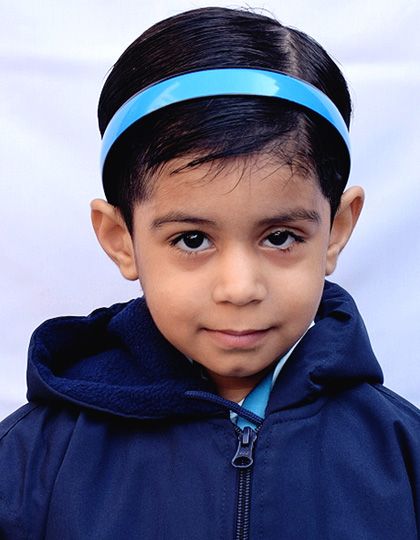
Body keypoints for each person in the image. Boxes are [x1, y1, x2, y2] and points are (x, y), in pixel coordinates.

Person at [0, 6, 419, 539]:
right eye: (192, 240)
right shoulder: (27, 463)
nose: (240, 289)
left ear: (336, 229)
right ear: (120, 239)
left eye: (280, 237)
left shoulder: (404, 454)